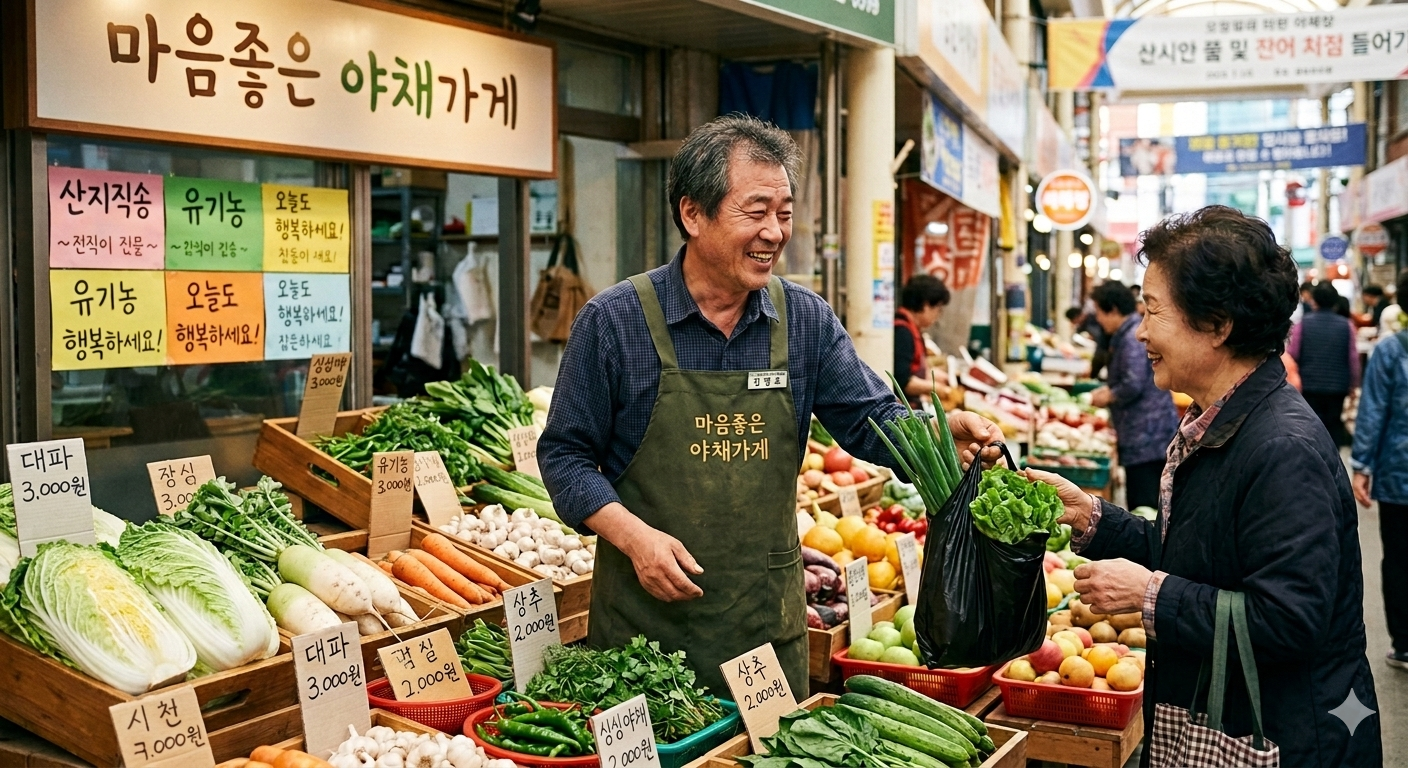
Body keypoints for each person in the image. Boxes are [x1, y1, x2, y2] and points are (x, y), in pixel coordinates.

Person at [536, 114, 1002, 698]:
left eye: (783, 213)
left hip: (763, 631)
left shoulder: (803, 319)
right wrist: (633, 537)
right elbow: (564, 457)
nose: (775, 232)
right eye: (755, 213)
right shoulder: (614, 322)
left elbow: (869, 420)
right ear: (692, 214)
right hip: (642, 635)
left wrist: (938, 439)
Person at [1027, 206, 1380, 767]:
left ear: (1217, 324)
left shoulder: (1281, 448)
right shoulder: (1218, 422)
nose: (1141, 332)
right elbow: (1201, 556)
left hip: (1285, 737)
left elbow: (1289, 620)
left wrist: (1148, 596)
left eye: (1153, 311)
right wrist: (1095, 518)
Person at [1352, 267, 1408, 671]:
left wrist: (1362, 466)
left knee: (1400, 557)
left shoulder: (1392, 351)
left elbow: (1373, 413)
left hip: (1398, 473)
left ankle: (1404, 642)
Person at [1086, 282, 1178, 510]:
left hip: (1146, 435)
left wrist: (1109, 395)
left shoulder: (1130, 339)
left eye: (1099, 312)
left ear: (1114, 310)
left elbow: (1133, 383)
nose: (1097, 319)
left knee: (1145, 504)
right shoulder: (1125, 334)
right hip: (1145, 433)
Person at [1290, 282, 1359, 447]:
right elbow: (1353, 359)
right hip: (1337, 387)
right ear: (1335, 301)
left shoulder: (1303, 324)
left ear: (1314, 300)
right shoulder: (1346, 325)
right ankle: (1334, 465)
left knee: (1312, 427)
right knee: (1334, 426)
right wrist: (1354, 384)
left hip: (1309, 385)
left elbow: (1293, 354)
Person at [894, 275, 950, 407]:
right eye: (938, 310)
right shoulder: (902, 332)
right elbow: (903, 381)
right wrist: (939, 389)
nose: (938, 316)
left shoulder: (912, 329)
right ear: (925, 305)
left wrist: (934, 376)